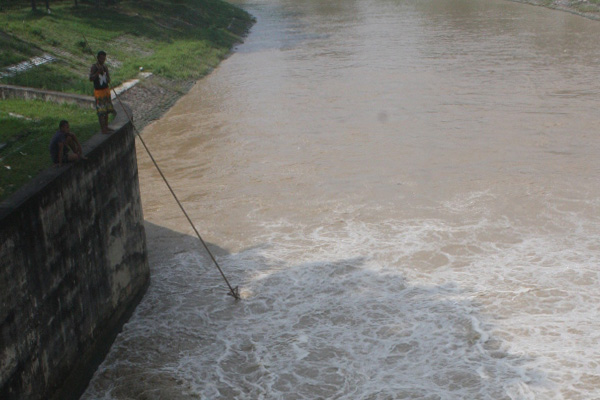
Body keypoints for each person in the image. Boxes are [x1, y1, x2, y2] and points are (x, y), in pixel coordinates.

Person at [89, 50, 116, 134]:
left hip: (106, 90)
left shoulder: (105, 67)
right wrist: (97, 72)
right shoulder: (94, 67)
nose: (103, 60)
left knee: (107, 110)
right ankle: (103, 129)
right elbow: (91, 78)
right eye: (101, 58)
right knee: (101, 112)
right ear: (98, 58)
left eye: (104, 58)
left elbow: (108, 79)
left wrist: (106, 76)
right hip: (99, 92)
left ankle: (106, 127)